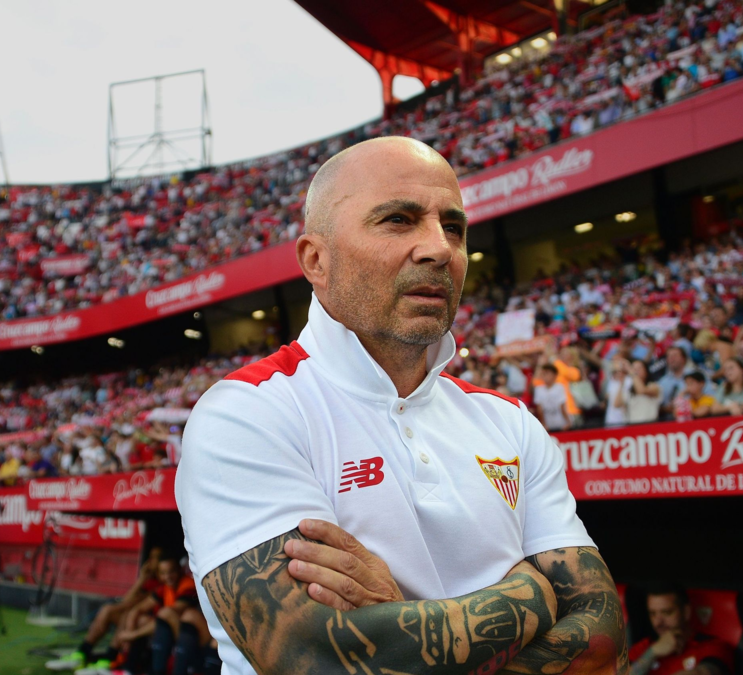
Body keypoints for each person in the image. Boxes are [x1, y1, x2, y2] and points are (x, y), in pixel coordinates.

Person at [175, 137, 625, 675]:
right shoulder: (248, 413)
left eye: (453, 227)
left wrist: (402, 625)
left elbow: (601, 645)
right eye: (398, 220)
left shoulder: (511, 423)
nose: (440, 249)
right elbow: (313, 659)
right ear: (317, 259)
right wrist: (534, 595)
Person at [47, 546, 166, 671]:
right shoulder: (149, 580)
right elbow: (127, 600)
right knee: (108, 610)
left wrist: (121, 607)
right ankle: (82, 654)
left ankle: (110, 659)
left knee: (127, 614)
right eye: (151, 557)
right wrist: (141, 579)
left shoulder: (165, 583)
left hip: (152, 622)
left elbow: (135, 604)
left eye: (155, 558)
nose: (151, 561)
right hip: (137, 617)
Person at [629, 584, 734, 675]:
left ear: (686, 611)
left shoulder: (712, 646)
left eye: (667, 612)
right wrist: (653, 652)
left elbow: (703, 672)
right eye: (653, 614)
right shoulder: (644, 648)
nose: (658, 622)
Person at [532, 363, 571, 432]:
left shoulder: (559, 387)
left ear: (555, 375)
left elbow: (562, 406)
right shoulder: (538, 389)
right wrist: (543, 424)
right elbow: (539, 409)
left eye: (548, 374)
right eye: (543, 374)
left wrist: (567, 422)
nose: (545, 376)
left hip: (560, 422)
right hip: (548, 424)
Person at [627, 359, 661, 424]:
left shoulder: (654, 386)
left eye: (639, 368)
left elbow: (641, 390)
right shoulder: (629, 390)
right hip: (633, 426)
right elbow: (616, 404)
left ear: (646, 371)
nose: (636, 371)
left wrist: (631, 372)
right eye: (634, 369)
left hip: (649, 426)